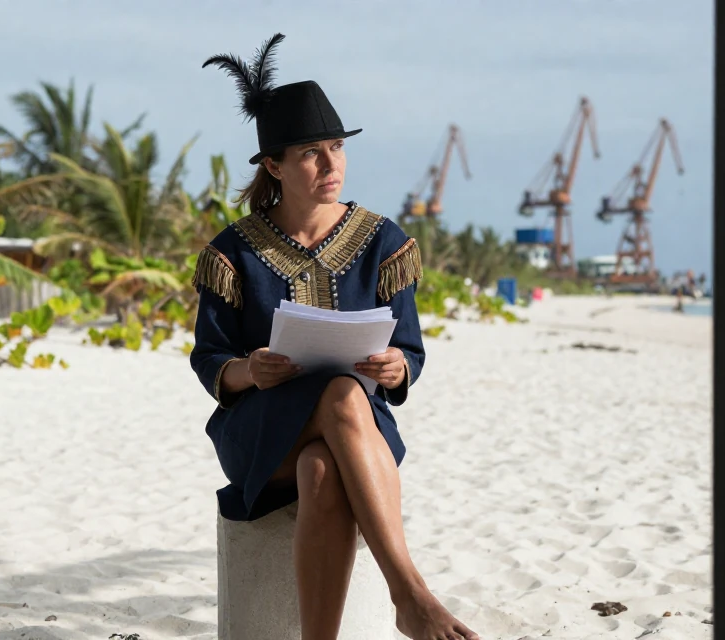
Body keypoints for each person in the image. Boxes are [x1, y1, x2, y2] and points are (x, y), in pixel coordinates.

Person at [192, 33, 479, 640]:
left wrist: (397, 368)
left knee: (325, 465)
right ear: (273, 165)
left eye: (337, 148)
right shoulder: (232, 252)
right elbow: (209, 358)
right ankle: (412, 596)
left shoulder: (381, 239)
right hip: (260, 434)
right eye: (310, 154)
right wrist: (250, 370)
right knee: (343, 398)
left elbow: (412, 351)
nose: (330, 166)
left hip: (356, 436)